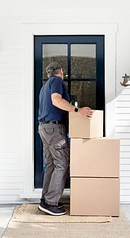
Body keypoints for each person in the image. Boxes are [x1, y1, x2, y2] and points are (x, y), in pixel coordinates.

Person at [38, 62, 93, 216]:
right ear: (61, 72)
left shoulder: (44, 86)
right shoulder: (56, 81)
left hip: (45, 128)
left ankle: (46, 199)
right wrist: (78, 110)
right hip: (54, 129)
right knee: (61, 163)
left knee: (52, 164)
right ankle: (50, 202)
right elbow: (56, 100)